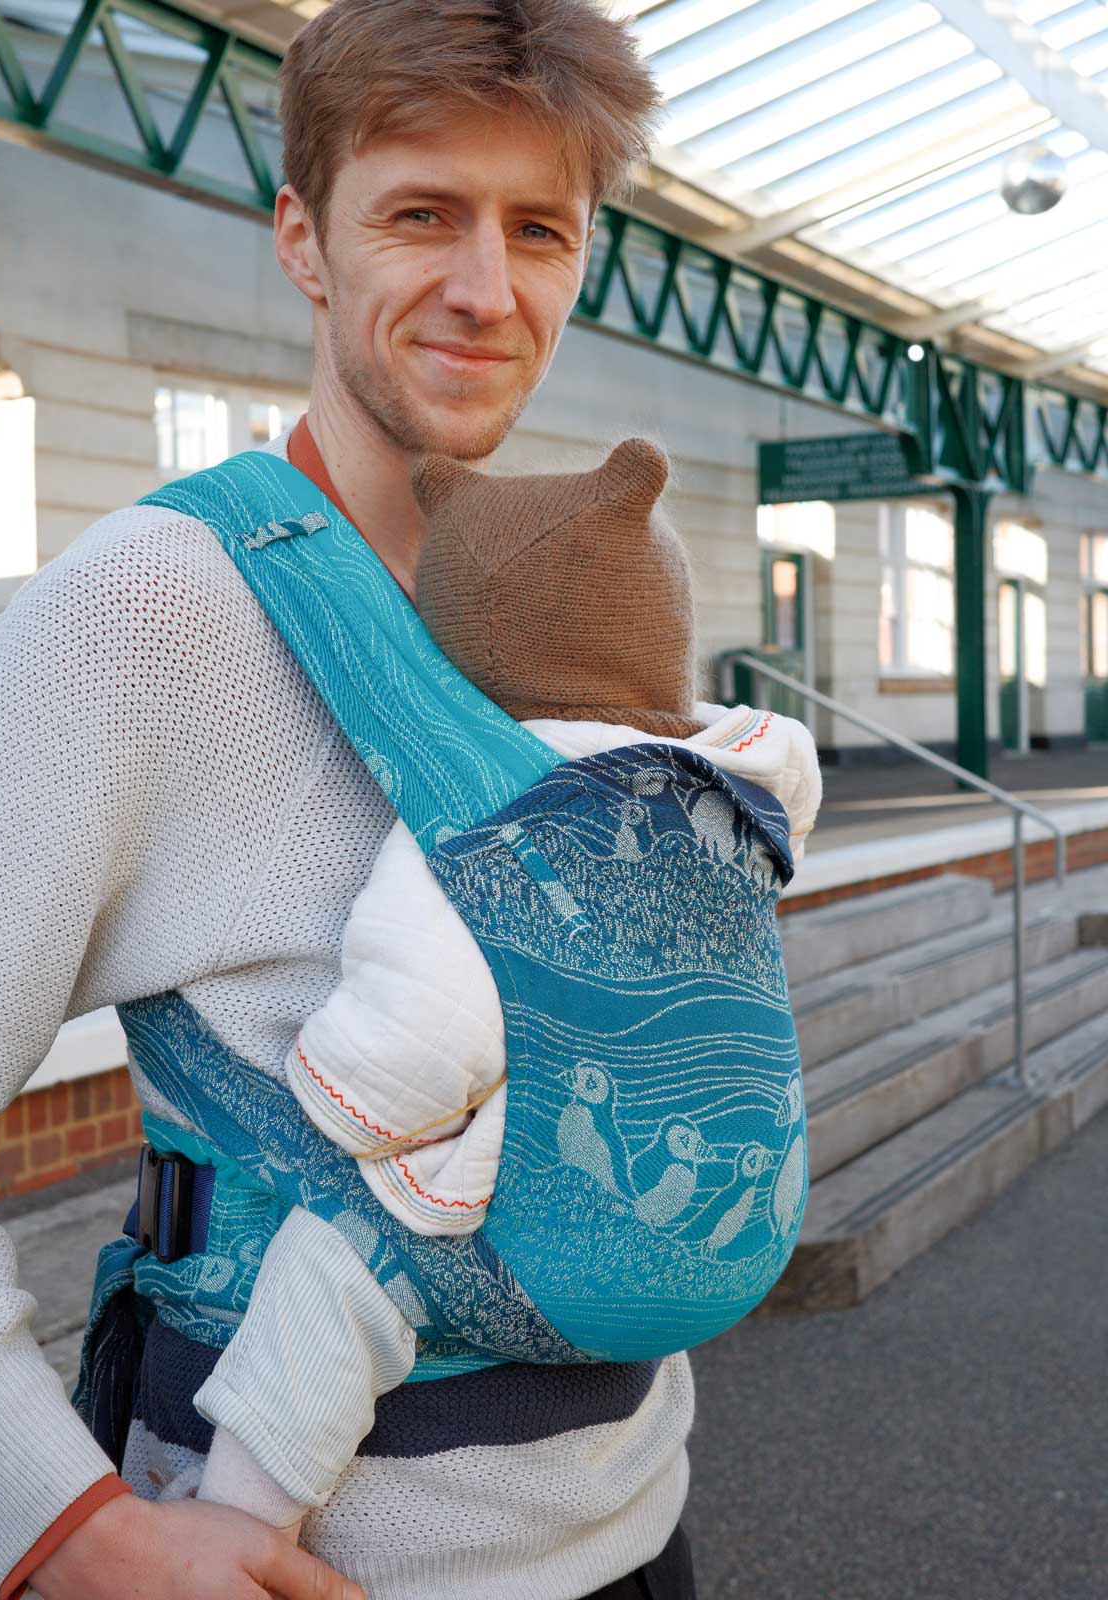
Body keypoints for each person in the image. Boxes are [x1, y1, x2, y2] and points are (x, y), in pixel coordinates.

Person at [0, 1, 725, 1596]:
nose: (488, 291)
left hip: (636, 1516)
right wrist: (58, 1530)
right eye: (423, 214)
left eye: (538, 230)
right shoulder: (150, 609)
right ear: (304, 237)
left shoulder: (630, 576)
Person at [189, 436, 821, 1532]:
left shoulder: (484, 822)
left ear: (464, 643)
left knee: (334, 1268)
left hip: (553, 1251)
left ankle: (238, 1524)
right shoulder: (744, 774)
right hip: (735, 1228)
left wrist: (332, 1086)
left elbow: (409, 1049)